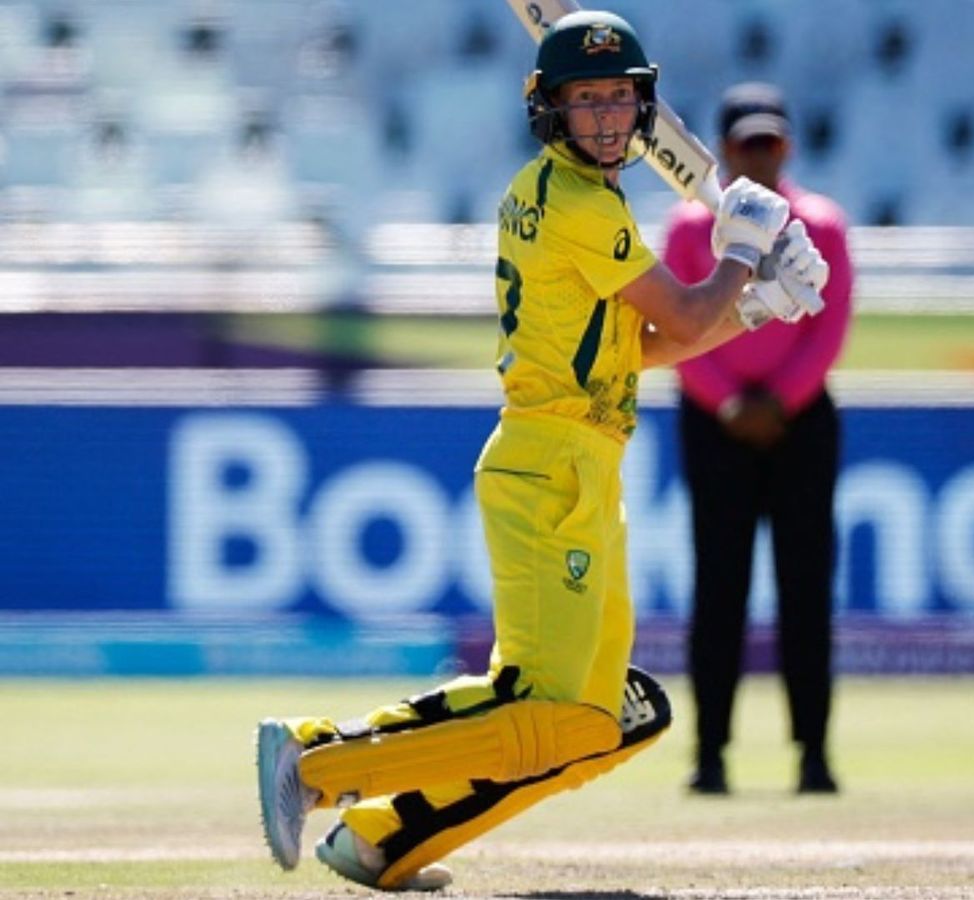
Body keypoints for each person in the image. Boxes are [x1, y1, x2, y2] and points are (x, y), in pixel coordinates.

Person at [253, 12, 829, 891]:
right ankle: (317, 758)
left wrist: (754, 302)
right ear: (550, 109)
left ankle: (383, 840)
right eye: (585, 99)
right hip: (550, 464)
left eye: (618, 98)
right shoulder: (575, 205)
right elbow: (679, 314)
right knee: (545, 708)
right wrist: (744, 253)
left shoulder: (572, 197)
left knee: (598, 725)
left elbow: (641, 344)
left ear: (644, 107)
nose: (603, 116)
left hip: (584, 462)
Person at [661, 82, 853, 796]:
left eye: (770, 143)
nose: (759, 156)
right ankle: (710, 756)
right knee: (720, 588)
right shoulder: (687, 228)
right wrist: (731, 403)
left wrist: (778, 402)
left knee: (805, 591)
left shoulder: (822, 224)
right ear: (724, 149)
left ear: (788, 147)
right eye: (746, 144)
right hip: (717, 424)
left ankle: (815, 755)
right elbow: (681, 329)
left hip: (799, 424)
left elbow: (828, 329)